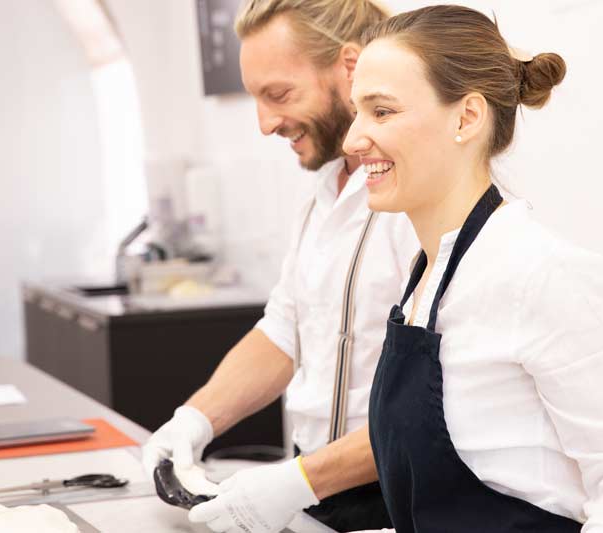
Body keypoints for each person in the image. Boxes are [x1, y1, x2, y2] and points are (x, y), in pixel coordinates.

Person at [342, 5, 603, 532]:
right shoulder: (426, 276)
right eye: (355, 112)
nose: (353, 140)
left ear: (467, 117)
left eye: (382, 111)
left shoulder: (543, 275)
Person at [142, 2, 417, 532]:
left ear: (351, 68)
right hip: (318, 488)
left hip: (393, 494)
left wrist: (297, 481)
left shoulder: (418, 199)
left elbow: (437, 400)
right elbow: (284, 329)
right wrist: (194, 420)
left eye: (279, 94)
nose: (266, 124)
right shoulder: (319, 192)